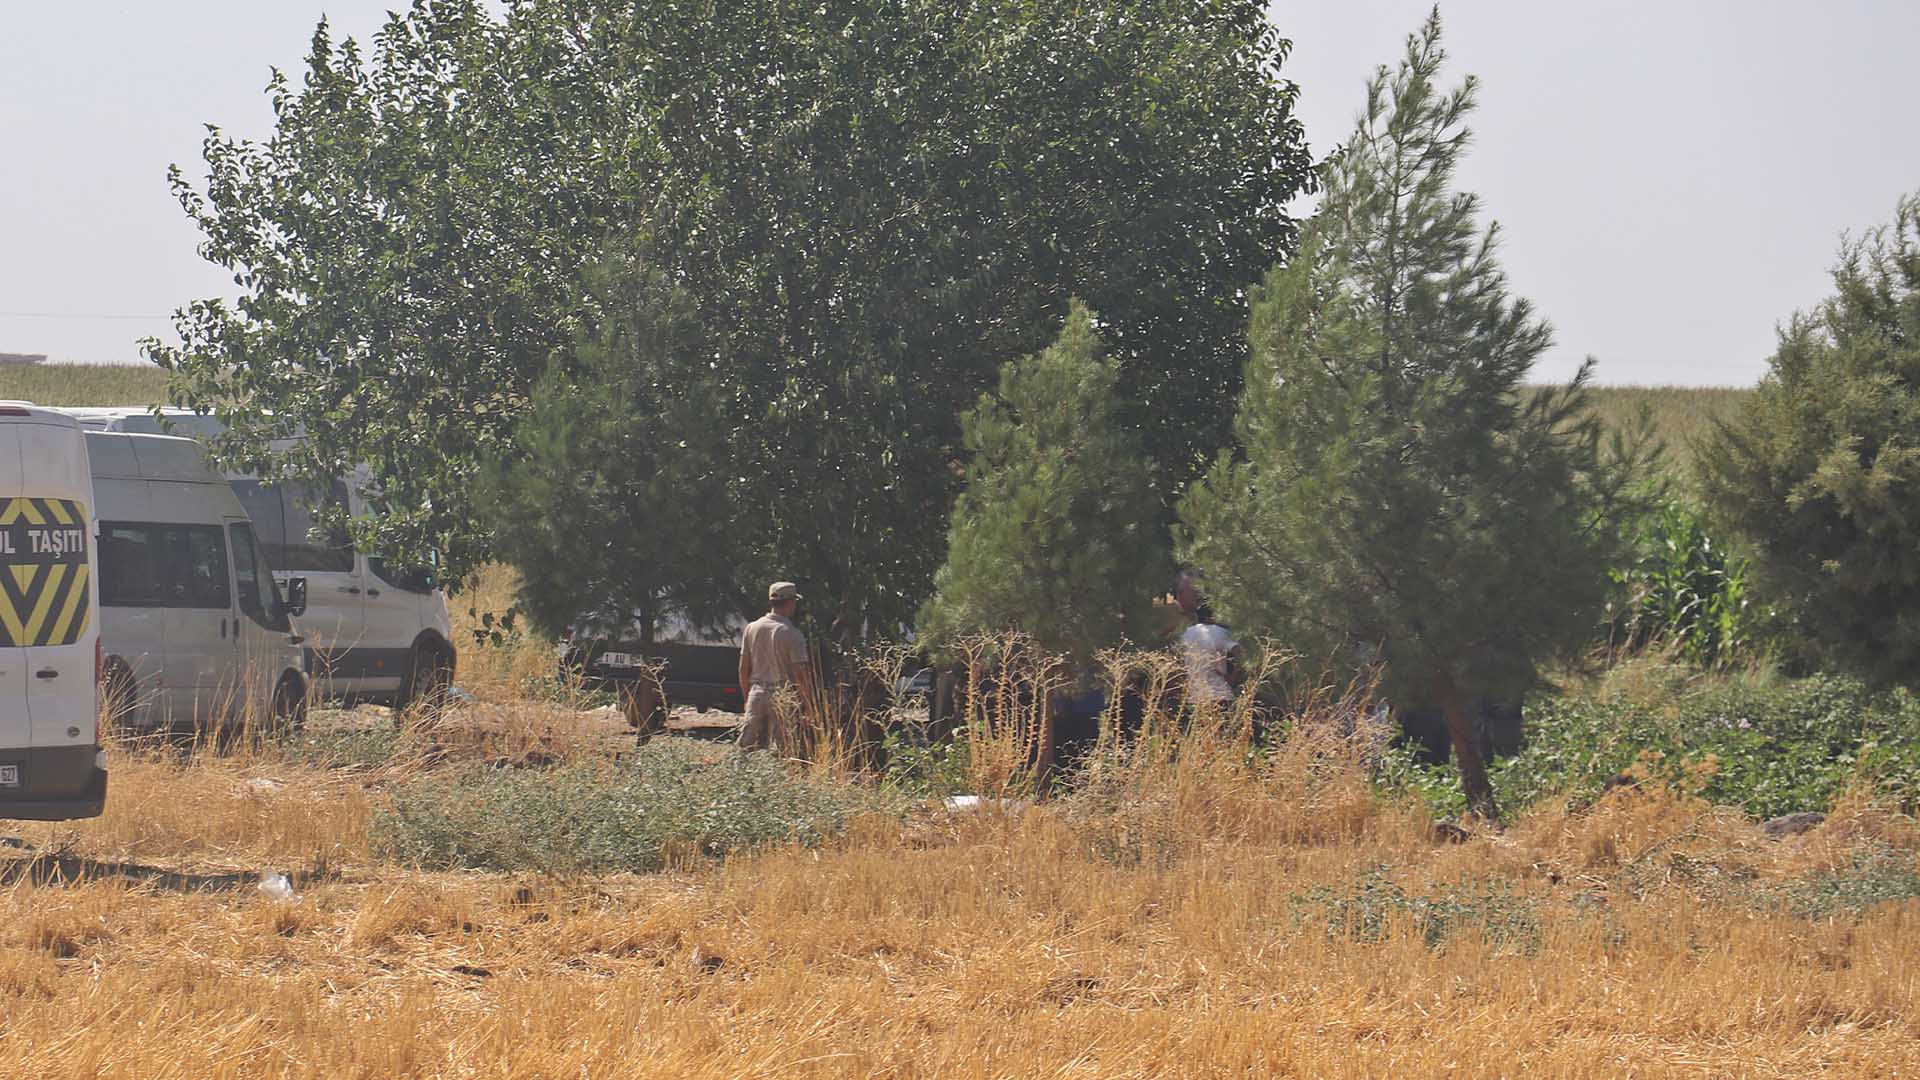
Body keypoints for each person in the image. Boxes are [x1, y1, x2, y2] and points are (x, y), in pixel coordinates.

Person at [737, 581, 814, 752]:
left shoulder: (752, 628)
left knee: (746, 749)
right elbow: (800, 674)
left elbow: (743, 668)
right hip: (783, 696)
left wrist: (746, 697)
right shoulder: (792, 634)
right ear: (790, 602)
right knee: (784, 749)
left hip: (756, 692)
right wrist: (807, 705)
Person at [1180, 603, 1243, 709]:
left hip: (1195, 696)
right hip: (1220, 694)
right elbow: (1241, 653)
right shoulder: (1221, 632)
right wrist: (1234, 677)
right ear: (1213, 616)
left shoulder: (1185, 634)